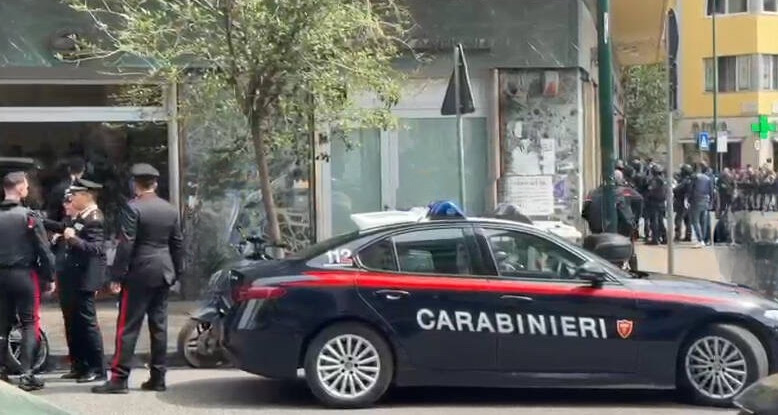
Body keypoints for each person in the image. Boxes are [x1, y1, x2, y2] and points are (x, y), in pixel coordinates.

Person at [93, 164, 184, 394]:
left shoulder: (133, 208)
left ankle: (119, 379)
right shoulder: (170, 209)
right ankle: (158, 377)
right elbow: (177, 243)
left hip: (139, 272)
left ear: (135, 184)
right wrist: (177, 271)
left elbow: (126, 244)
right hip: (163, 270)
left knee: (128, 326)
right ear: (155, 184)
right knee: (159, 326)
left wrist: (116, 275)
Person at [47, 179, 108, 383]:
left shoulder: (94, 218)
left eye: (74, 195)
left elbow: (96, 249)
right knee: (72, 323)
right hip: (70, 278)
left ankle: (96, 367)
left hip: (84, 278)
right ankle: (79, 364)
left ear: (86, 196)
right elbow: (64, 228)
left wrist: (73, 239)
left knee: (87, 324)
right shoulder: (80, 216)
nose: (71, 199)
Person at [0, 171, 56, 391]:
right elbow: (44, 249)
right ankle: (26, 374)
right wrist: (49, 276)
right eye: (26, 186)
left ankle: (2, 371)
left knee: (2, 323)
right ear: (20, 188)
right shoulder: (29, 216)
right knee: (29, 323)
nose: (28, 189)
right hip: (23, 275)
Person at [46, 157, 86, 222]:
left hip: (56, 222)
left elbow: (52, 210)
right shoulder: (82, 189)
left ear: (69, 169)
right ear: (83, 170)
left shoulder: (58, 187)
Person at [690, 162, 714, 248]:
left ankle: (700, 240)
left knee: (695, 221)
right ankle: (703, 239)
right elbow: (711, 191)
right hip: (706, 200)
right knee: (703, 221)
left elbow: (691, 189)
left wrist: (688, 199)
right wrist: (711, 201)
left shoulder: (695, 177)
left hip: (696, 200)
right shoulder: (708, 178)